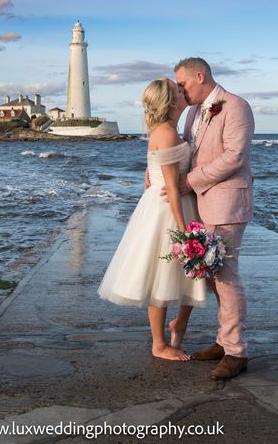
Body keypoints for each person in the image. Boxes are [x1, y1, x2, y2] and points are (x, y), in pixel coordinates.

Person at [98, 77, 207, 361]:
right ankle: (159, 344)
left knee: (190, 275)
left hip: (178, 202)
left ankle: (178, 326)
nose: (184, 92)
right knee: (164, 276)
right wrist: (185, 233)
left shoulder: (171, 129)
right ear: (171, 102)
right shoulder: (167, 133)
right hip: (167, 209)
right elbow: (170, 186)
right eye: (178, 90)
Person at [169, 57, 255, 380]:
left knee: (226, 276)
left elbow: (234, 157)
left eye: (183, 84)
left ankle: (236, 352)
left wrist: (189, 182)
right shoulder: (193, 111)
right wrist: (158, 173)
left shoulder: (235, 106)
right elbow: (186, 150)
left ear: (200, 76)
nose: (181, 91)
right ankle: (224, 341)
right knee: (211, 275)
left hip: (228, 203)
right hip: (203, 204)